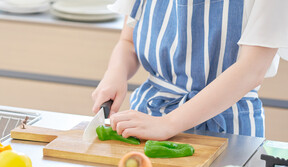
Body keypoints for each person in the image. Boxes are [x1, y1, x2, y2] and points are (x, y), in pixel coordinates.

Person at [91, 0, 288, 141]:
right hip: (148, 117)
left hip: (228, 129)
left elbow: (251, 70)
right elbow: (129, 42)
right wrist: (115, 74)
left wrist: (167, 124)